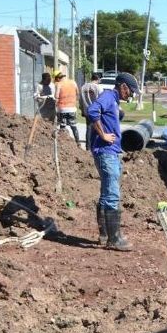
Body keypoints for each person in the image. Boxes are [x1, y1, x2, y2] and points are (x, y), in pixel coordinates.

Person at [86, 72, 138, 251]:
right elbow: (92, 111)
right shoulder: (108, 96)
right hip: (106, 152)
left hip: (110, 152)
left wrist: (118, 114)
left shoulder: (112, 100)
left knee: (106, 193)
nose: (130, 95)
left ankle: (104, 235)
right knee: (112, 195)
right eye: (130, 91)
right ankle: (113, 239)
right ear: (123, 86)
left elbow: (105, 113)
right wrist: (103, 134)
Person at [53, 70, 80, 144]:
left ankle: (63, 143)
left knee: (62, 126)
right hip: (72, 108)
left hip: (62, 109)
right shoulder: (73, 82)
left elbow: (56, 96)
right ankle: (78, 143)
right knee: (74, 126)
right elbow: (77, 93)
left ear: (58, 78)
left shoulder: (59, 84)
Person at [80, 73, 102, 150]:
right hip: (96, 111)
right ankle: (94, 146)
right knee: (97, 129)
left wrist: (82, 109)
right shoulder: (98, 88)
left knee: (89, 128)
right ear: (98, 79)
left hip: (87, 110)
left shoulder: (83, 87)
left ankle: (88, 147)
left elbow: (80, 100)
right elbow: (101, 100)